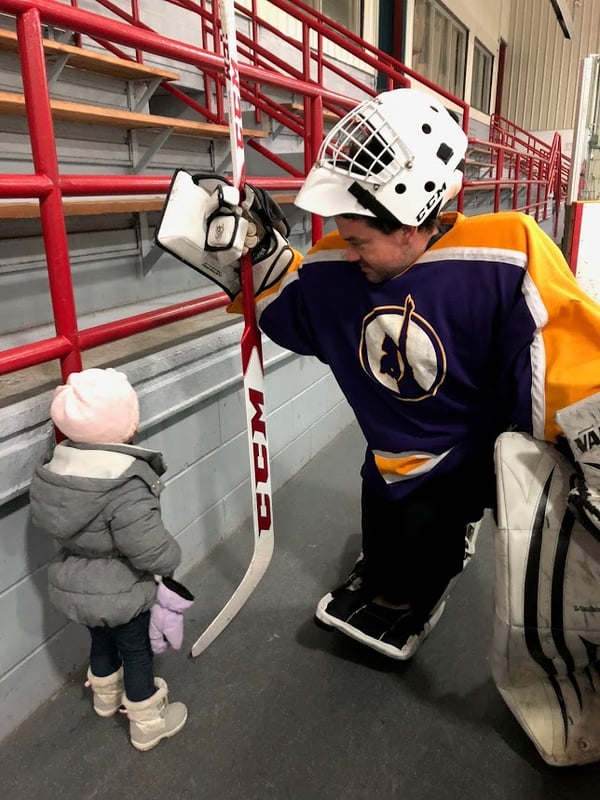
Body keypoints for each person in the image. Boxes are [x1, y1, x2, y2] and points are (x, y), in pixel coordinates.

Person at [157, 87, 600, 661]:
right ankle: (423, 558)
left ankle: (455, 531)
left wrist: (586, 446)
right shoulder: (338, 265)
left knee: (550, 563)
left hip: (494, 443)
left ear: (415, 223)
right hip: (403, 458)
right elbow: (296, 310)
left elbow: (566, 349)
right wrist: (257, 258)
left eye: (360, 238)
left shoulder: (507, 254)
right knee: (394, 562)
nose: (346, 250)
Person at [28, 367, 192, 752]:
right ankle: (148, 723)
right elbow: (147, 546)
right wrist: (171, 560)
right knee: (136, 652)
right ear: (125, 424)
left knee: (100, 641)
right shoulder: (124, 482)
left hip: (75, 585)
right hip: (121, 590)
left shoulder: (56, 471)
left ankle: (104, 698)